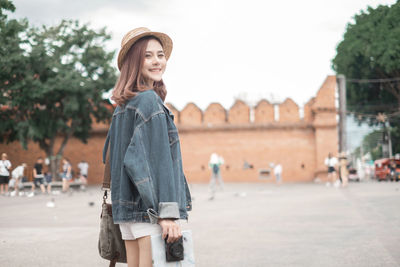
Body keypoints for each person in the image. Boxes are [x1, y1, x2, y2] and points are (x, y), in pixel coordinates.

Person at [103, 27, 192, 267]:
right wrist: (167, 214)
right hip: (148, 211)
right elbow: (156, 163)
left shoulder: (122, 107)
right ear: (134, 61)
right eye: (148, 55)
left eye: (160, 55)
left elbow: (114, 160)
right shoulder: (148, 101)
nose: (157, 61)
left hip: (127, 212)